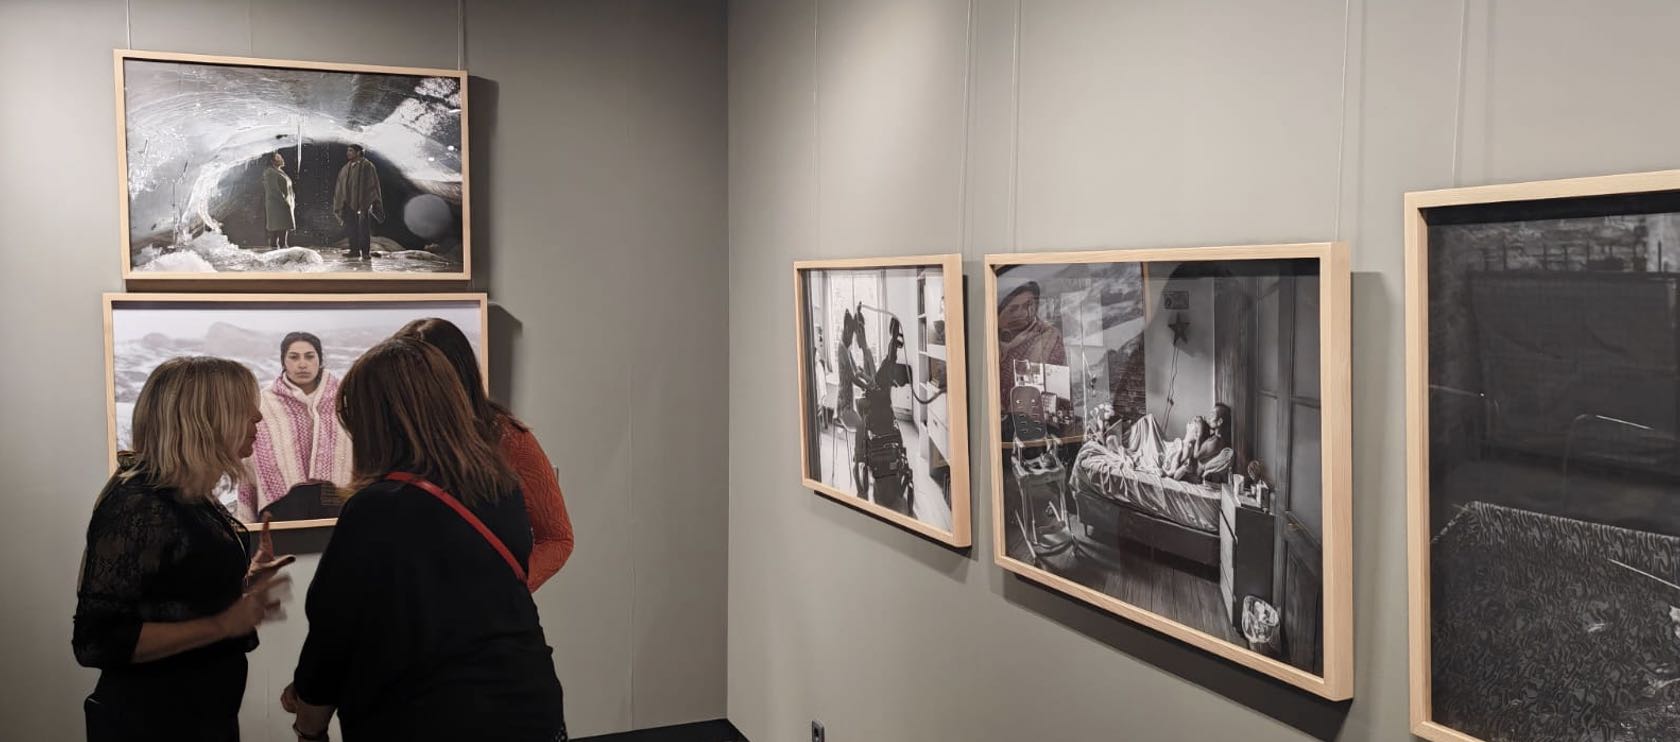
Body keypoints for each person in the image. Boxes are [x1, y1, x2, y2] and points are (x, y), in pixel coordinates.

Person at [283, 338, 567, 742]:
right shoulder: (499, 488)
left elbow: (335, 632)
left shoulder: (378, 508)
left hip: (426, 713)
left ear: (376, 420)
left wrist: (309, 726)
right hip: (525, 701)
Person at [74, 356, 294, 741]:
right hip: (153, 723)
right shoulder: (140, 503)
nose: (258, 417)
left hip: (197, 717)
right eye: (244, 406)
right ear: (205, 418)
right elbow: (98, 641)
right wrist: (224, 623)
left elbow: (169, 593)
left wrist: (238, 584)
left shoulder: (188, 496)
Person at [395, 317, 576, 591]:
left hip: (482, 622)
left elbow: (556, 538)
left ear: (455, 375)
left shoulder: (507, 437)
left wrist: (505, 596)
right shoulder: (392, 435)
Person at [236, 332, 353, 523]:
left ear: (320, 360)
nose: (302, 364)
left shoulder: (345, 398)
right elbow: (251, 456)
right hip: (283, 501)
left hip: (336, 494)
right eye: (293, 357)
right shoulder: (265, 402)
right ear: (283, 361)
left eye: (309, 356)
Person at [997, 281, 1067, 403]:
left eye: (1028, 305)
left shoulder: (1049, 338)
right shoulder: (987, 339)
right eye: (1013, 309)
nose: (1023, 314)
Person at [331, 144, 382, 261]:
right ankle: (354, 251)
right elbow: (341, 185)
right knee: (351, 227)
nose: (348, 153)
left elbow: (372, 184)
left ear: (358, 152)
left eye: (351, 151)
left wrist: (368, 201)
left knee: (363, 228)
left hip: (363, 203)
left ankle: (365, 252)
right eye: (347, 150)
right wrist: (342, 201)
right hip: (348, 203)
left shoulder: (367, 166)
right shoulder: (346, 167)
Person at [263, 152, 296, 249]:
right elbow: (273, 189)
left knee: (283, 225)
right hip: (277, 204)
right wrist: (283, 201)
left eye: (281, 157)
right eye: (278, 157)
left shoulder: (279, 171)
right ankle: (277, 248)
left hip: (284, 203)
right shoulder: (270, 172)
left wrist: (291, 199)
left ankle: (283, 245)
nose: (281, 159)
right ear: (272, 161)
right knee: (277, 226)